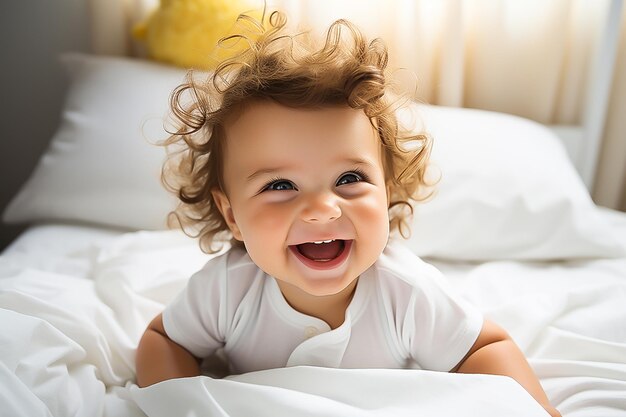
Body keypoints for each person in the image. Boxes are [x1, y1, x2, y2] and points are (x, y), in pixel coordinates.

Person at [135, 10, 560, 417]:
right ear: (232, 216)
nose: (321, 209)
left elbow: (483, 347)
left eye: (349, 178)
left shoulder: (406, 294)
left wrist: (536, 410)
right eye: (280, 186)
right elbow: (163, 340)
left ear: (387, 193)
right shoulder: (227, 290)